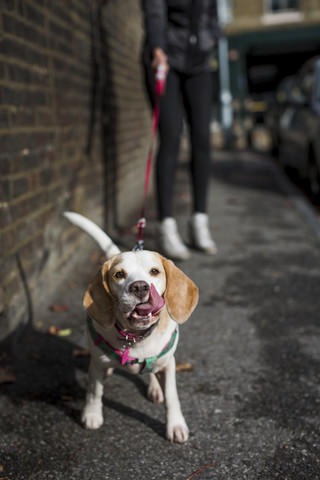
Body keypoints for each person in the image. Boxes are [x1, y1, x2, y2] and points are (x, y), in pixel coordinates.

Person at [142, 0, 220, 260]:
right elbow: (154, 13)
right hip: (166, 58)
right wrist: (157, 47)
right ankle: (167, 226)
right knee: (172, 135)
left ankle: (199, 220)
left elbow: (212, 14)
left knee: (202, 138)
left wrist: (213, 38)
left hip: (199, 62)